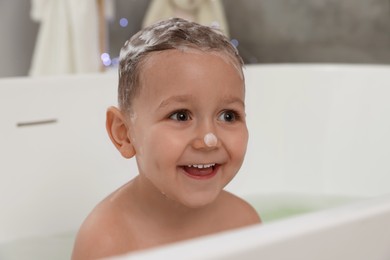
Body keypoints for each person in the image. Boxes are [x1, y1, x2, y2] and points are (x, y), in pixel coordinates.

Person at [71, 18, 261, 260]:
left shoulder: (243, 223)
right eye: (181, 116)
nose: (209, 139)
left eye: (228, 115)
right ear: (124, 134)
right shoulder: (107, 241)